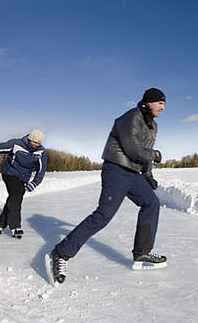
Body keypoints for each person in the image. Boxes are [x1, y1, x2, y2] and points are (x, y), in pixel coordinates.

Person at [45, 88, 167, 285]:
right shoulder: (130, 117)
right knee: (103, 216)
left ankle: (142, 253)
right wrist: (154, 155)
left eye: (164, 104)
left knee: (152, 203)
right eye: (160, 103)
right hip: (116, 169)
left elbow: (144, 153)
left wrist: (148, 174)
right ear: (149, 102)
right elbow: (134, 148)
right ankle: (60, 253)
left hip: (133, 173)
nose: (163, 107)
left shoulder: (152, 126)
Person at [0, 129, 47, 239]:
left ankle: (1, 224)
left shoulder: (41, 152)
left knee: (14, 198)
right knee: (16, 196)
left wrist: (34, 183)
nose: (36, 145)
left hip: (24, 178)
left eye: (38, 143)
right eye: (34, 142)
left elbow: (41, 170)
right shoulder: (17, 144)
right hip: (10, 173)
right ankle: (15, 226)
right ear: (29, 139)